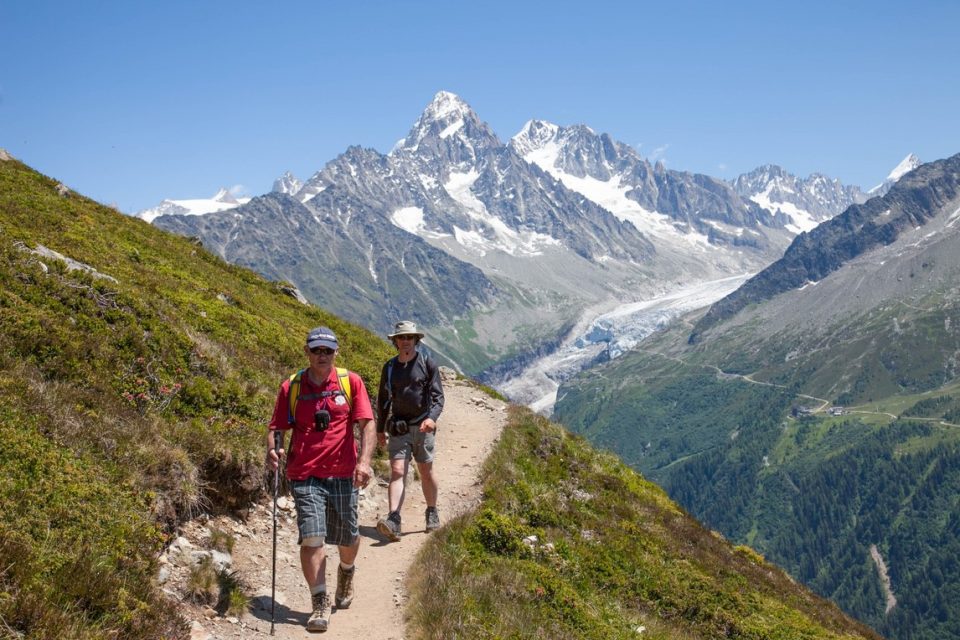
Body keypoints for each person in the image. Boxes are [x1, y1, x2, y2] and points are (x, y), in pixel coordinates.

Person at [267, 326, 375, 633]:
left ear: (336, 352)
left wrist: (365, 463)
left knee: (348, 537)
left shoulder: (349, 382)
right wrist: (273, 450)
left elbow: (367, 424)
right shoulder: (292, 387)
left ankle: (347, 571)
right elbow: (277, 427)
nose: (322, 356)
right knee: (313, 537)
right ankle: (319, 602)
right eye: (317, 350)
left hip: (343, 472)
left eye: (327, 350)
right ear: (307, 352)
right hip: (305, 474)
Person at [375, 320, 445, 542]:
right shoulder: (389, 368)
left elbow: (437, 397)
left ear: (416, 340)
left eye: (409, 337)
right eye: (401, 338)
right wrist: (380, 429)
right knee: (397, 471)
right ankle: (393, 518)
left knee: (425, 471)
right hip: (399, 427)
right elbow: (384, 401)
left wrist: (431, 419)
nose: (405, 341)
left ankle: (431, 510)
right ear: (395, 341)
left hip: (423, 427)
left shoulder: (427, 363)